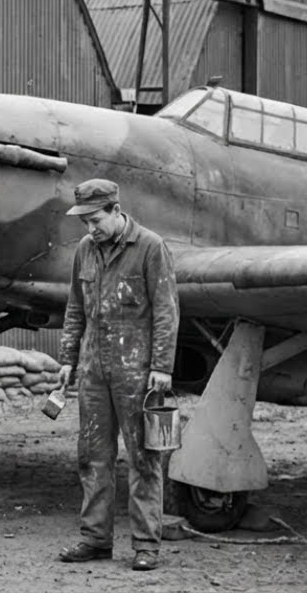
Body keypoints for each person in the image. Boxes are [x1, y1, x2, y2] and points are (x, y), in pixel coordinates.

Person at [57, 179, 179, 572]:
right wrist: (67, 358)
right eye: (84, 222)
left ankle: (146, 545)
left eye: (95, 219)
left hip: (138, 375)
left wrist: (161, 366)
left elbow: (166, 311)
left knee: (145, 459)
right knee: (92, 455)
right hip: (94, 371)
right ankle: (95, 539)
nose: (90, 228)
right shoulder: (85, 251)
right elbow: (75, 306)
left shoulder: (150, 247)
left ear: (115, 210)